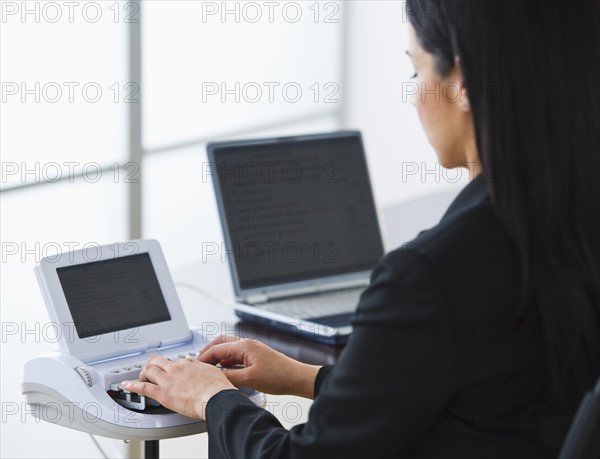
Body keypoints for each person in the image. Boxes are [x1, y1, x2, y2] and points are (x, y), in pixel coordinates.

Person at [122, 1, 600, 457]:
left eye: (416, 69)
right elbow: (479, 395)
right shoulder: (571, 220)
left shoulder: (429, 278)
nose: (412, 97)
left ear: (463, 84)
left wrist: (211, 398)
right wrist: (303, 376)